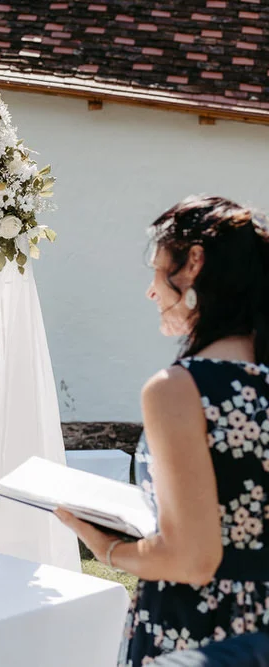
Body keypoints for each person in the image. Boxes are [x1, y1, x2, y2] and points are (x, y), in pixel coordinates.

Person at [56, 196, 269, 665]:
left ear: (193, 264)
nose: (150, 291)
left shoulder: (179, 389)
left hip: (202, 633)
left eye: (157, 270)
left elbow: (192, 560)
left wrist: (108, 548)